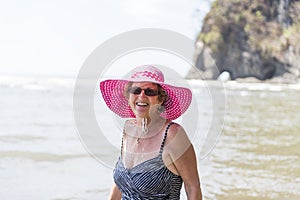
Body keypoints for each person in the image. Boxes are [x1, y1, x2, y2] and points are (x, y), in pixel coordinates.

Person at [100, 65, 202, 200]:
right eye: (135, 90)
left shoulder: (173, 135)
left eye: (150, 92)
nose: (141, 95)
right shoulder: (128, 128)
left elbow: (192, 187)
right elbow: (121, 183)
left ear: (161, 99)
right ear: (128, 95)